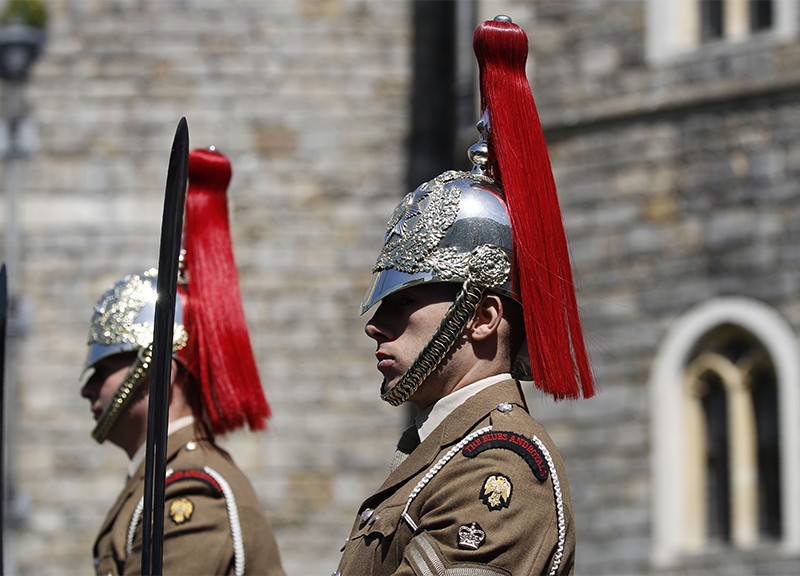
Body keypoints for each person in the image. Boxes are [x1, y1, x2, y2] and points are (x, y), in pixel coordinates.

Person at [335, 16, 596, 576]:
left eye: (404, 304)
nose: (376, 326)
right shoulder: (441, 454)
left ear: (480, 316)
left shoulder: (497, 468)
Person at [80, 148, 285, 576]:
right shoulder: (158, 481)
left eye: (103, 368)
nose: (87, 387)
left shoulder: (187, 493)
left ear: (160, 369)